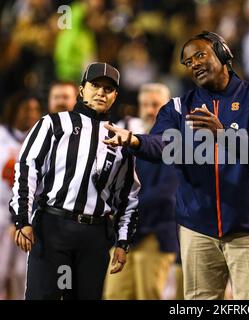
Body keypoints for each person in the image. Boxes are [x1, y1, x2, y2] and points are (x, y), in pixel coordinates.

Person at [103, 31, 249, 300]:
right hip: (197, 228)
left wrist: (222, 135)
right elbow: (162, 146)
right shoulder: (177, 107)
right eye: (188, 62)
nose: (194, 64)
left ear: (223, 54)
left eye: (200, 55)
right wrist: (134, 140)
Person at [9, 62, 140, 300]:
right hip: (53, 227)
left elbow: (128, 195)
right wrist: (23, 220)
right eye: (95, 85)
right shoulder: (53, 123)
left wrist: (122, 242)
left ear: (115, 96)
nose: (101, 92)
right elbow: (27, 169)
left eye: (108, 89)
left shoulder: (120, 138)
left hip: (95, 235)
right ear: (82, 90)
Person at [103, 83, 180, 300]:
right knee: (115, 294)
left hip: (155, 232)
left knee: (149, 294)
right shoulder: (132, 137)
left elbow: (167, 192)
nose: (149, 110)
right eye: (145, 104)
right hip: (125, 233)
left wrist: (122, 208)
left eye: (155, 105)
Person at [0, 93, 41, 299]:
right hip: (0, 213)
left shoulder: (41, 140)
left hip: (27, 217)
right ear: (14, 111)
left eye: (35, 110)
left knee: (20, 275)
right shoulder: (1, 136)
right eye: (26, 109)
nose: (31, 115)